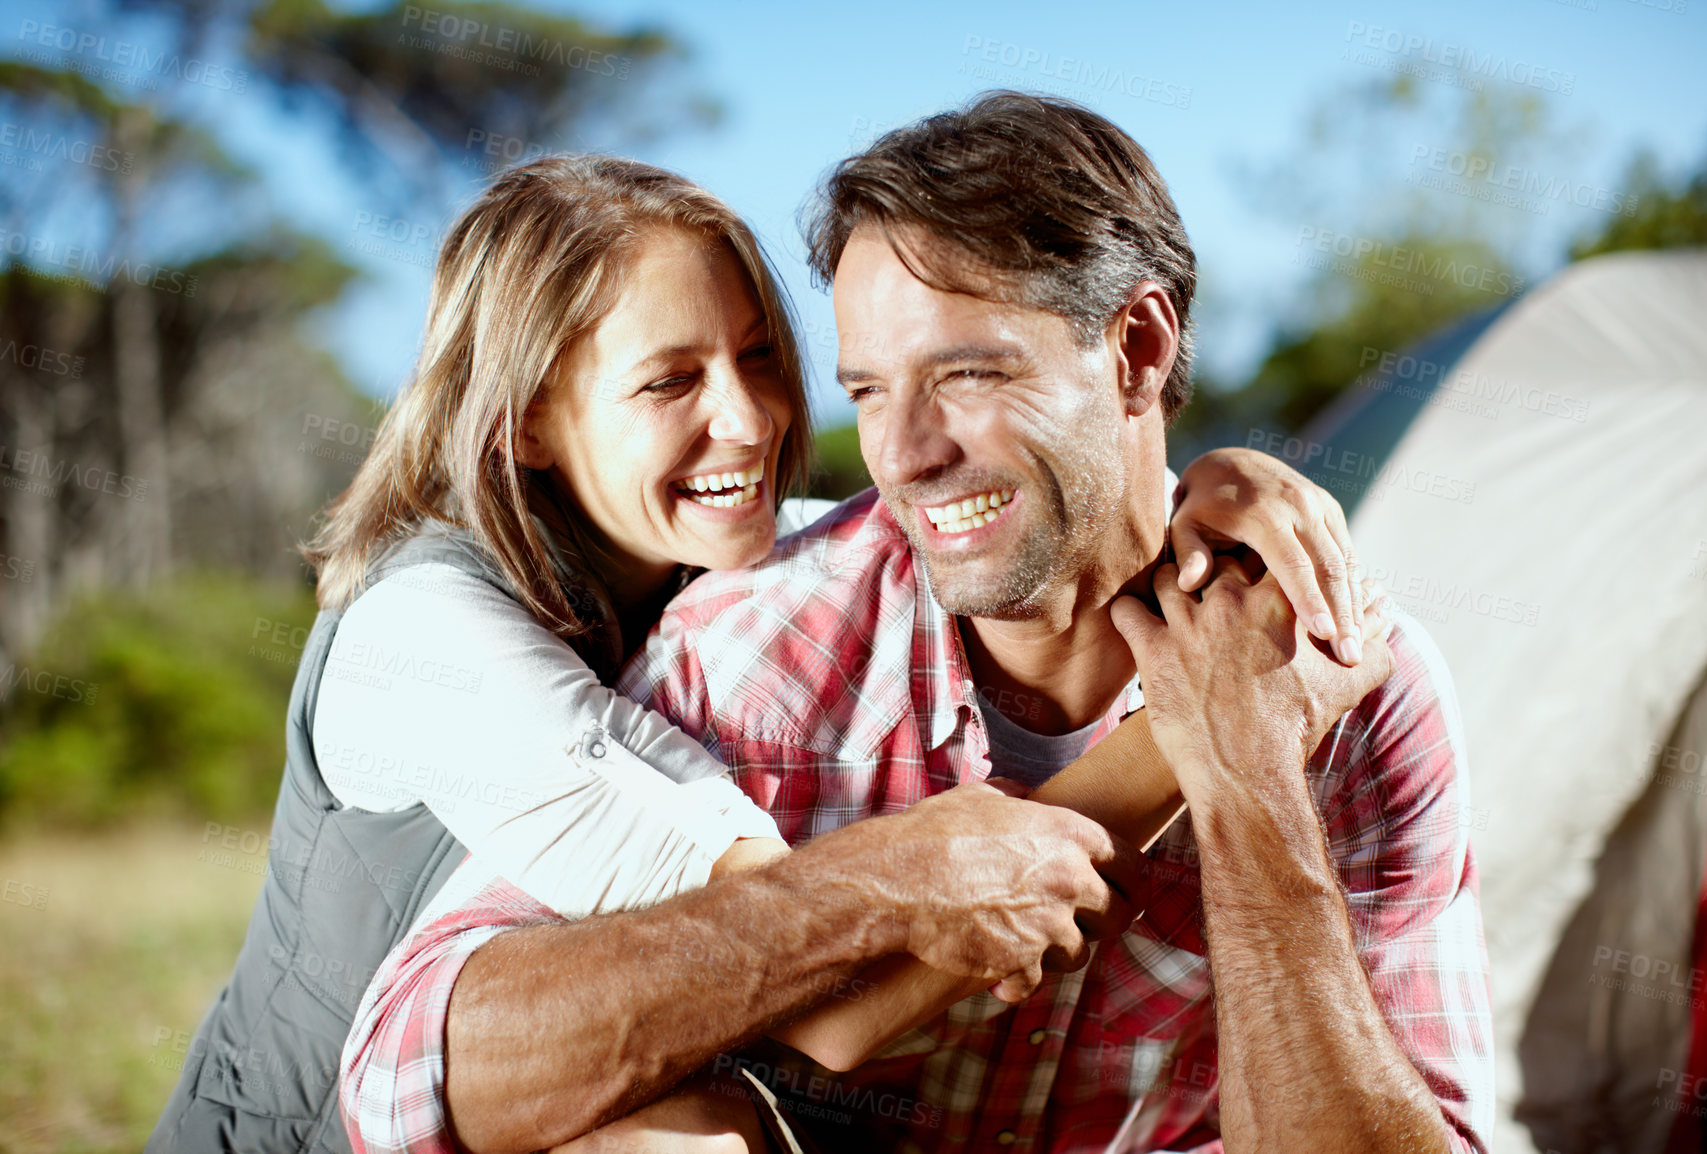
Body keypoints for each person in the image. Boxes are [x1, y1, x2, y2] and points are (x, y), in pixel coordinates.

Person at [146, 153, 1379, 1154]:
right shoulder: (431, 635)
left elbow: (997, 508)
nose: (750, 417)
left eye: (755, 357)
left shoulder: (725, 567)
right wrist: (1199, 727)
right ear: (526, 421)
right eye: (669, 381)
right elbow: (800, 969)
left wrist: (1223, 485)